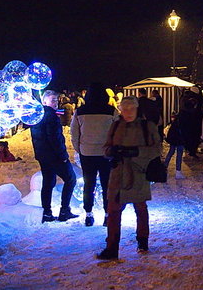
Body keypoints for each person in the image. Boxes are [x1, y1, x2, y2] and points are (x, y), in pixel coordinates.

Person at [97, 96, 162, 260]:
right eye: (125, 109)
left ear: (137, 108)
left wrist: (136, 152)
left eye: (132, 108)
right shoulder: (116, 125)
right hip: (118, 175)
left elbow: (156, 149)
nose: (128, 112)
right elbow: (106, 147)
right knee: (113, 211)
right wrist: (111, 152)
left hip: (138, 174)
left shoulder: (147, 126)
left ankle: (142, 241)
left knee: (140, 209)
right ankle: (111, 247)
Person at [71, 83, 116, 227]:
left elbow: (74, 133)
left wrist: (79, 149)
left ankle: (89, 215)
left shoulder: (80, 112)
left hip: (87, 153)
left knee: (88, 185)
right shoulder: (111, 111)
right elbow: (117, 131)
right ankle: (107, 215)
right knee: (106, 185)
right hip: (106, 153)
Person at [31, 90, 78, 223]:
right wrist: (63, 156)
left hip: (43, 156)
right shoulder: (50, 116)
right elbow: (55, 138)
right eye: (52, 100)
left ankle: (47, 213)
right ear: (44, 101)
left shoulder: (38, 115)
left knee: (48, 183)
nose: (55, 103)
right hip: (54, 156)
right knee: (71, 179)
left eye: (56, 100)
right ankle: (64, 211)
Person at [164, 110, 186, 179]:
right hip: (180, 140)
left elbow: (171, 132)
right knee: (179, 155)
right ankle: (178, 171)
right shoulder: (183, 122)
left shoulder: (174, 123)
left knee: (170, 153)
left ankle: (164, 168)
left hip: (173, 140)